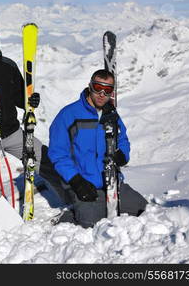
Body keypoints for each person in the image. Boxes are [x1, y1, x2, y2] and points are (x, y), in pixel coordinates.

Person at [0, 21, 65, 203]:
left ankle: (69, 200)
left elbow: (18, 96)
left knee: (47, 161)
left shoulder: (8, 66)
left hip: (13, 133)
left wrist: (28, 101)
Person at [48, 69, 147, 228]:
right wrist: (76, 181)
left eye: (107, 90)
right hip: (83, 183)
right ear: (89, 86)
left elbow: (122, 139)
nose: (102, 94)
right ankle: (68, 217)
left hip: (112, 181)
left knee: (145, 212)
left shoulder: (111, 115)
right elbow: (58, 154)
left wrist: (122, 154)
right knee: (92, 225)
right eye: (97, 87)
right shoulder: (68, 115)